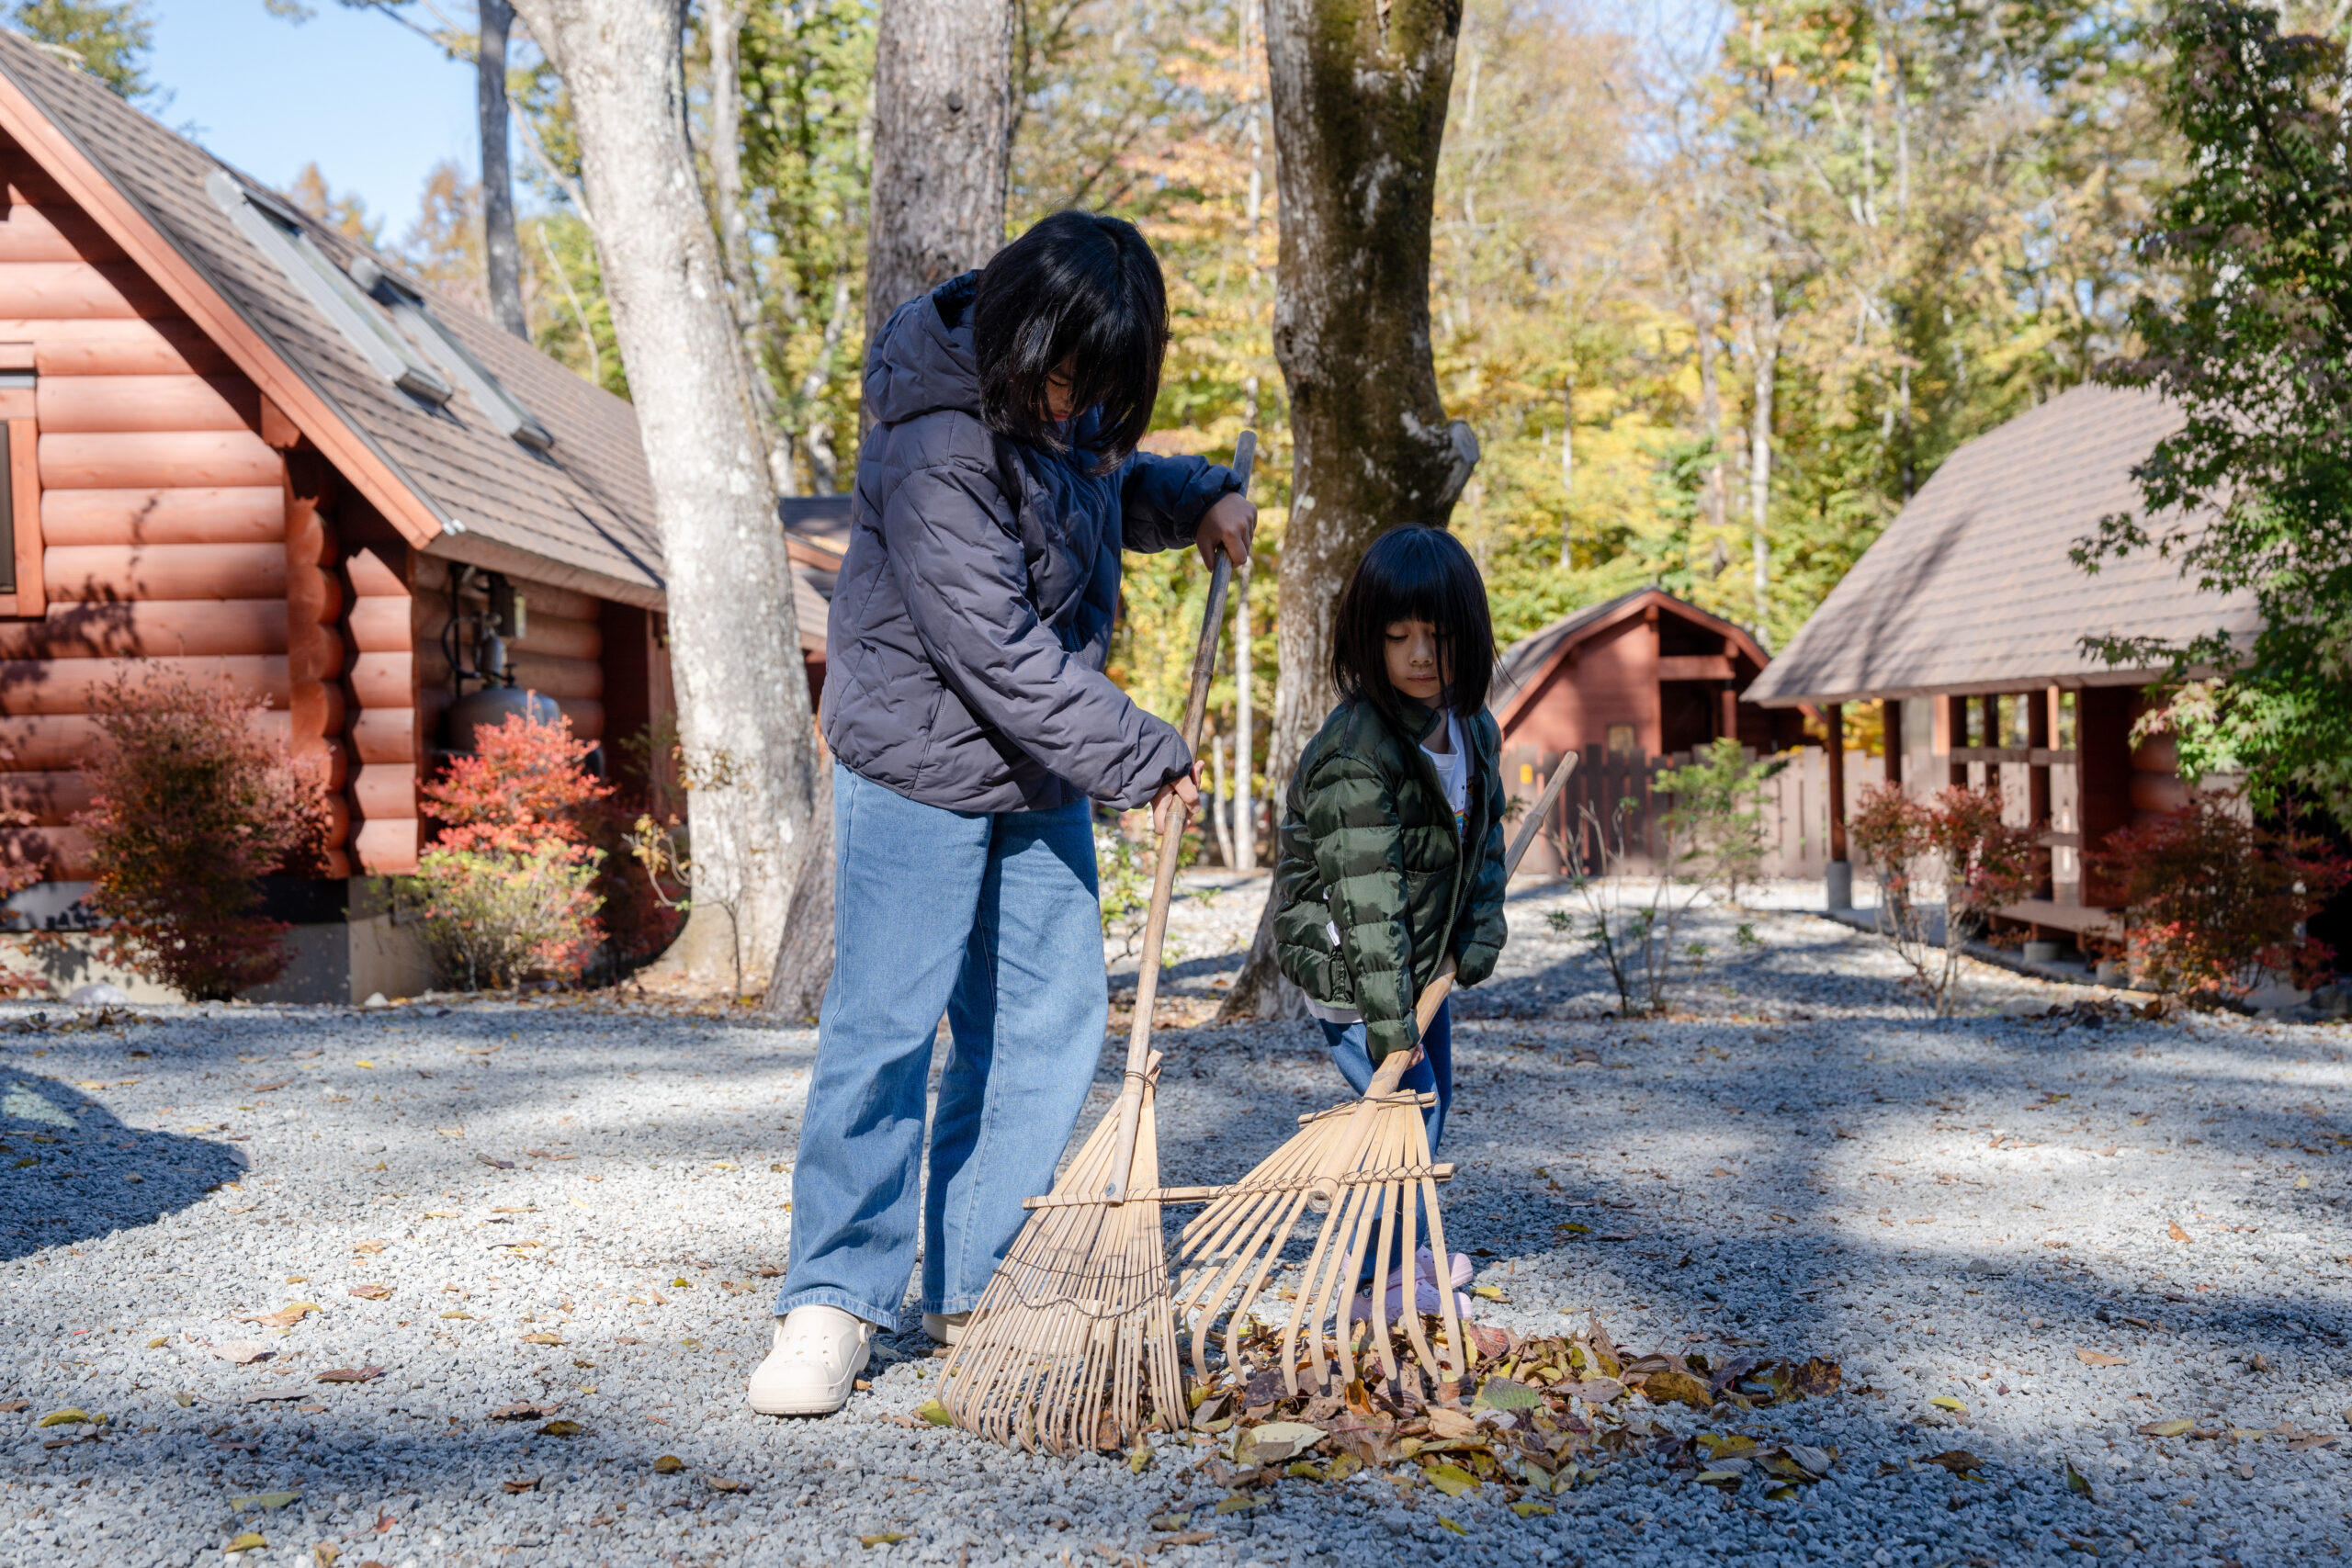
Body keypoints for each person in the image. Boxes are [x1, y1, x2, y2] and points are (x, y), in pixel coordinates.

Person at [748, 211, 1256, 1416]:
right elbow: (997, 646)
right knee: (884, 1023)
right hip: (923, 753)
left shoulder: (1063, 400)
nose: (1078, 398)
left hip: (1035, 764)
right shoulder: (936, 436)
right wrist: (1141, 750)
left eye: (1102, 382)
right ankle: (833, 1295)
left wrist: (1196, 502)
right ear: (1027, 328)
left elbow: (1099, 482)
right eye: (1070, 372)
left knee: (1047, 1015)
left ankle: (981, 1276)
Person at [1267, 525, 1507, 1321]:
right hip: (1353, 968)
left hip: (1419, 960)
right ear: (1367, 640)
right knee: (1409, 1111)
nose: (1417, 655)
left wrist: (1479, 931)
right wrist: (1387, 1019)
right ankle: (1379, 1280)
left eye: (1435, 635)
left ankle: (1410, 1254)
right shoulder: (1355, 755)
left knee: (1431, 1102)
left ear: (1465, 635)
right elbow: (1366, 905)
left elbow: (1486, 839)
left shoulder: (1473, 730)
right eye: (1397, 636)